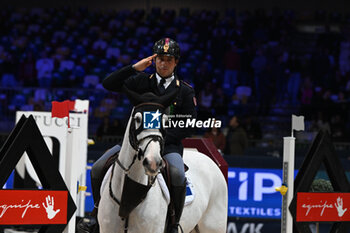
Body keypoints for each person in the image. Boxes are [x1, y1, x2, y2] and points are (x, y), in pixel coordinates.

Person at [78, 38, 196, 233]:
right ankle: (96, 214)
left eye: (168, 59)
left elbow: (188, 123)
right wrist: (134, 68)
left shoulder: (184, 90)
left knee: (177, 174)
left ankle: (174, 223)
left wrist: (156, 140)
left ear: (176, 62)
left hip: (167, 145)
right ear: (154, 60)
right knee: (99, 167)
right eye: (160, 59)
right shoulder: (142, 81)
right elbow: (108, 83)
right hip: (133, 143)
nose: (163, 63)